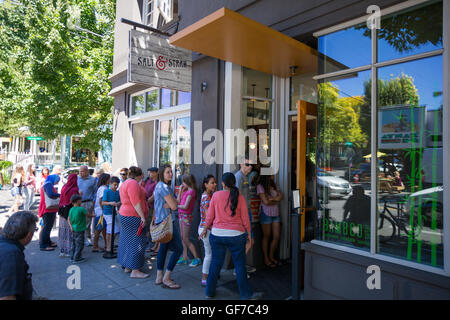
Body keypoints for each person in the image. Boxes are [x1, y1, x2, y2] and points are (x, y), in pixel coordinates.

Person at [199, 173, 262, 300]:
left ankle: (209, 292)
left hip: (217, 235)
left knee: (215, 264)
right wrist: (249, 234)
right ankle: (246, 295)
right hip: (236, 236)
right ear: (234, 183)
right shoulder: (240, 197)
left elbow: (210, 216)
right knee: (239, 265)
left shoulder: (216, 196)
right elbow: (245, 219)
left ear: (223, 183)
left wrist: (205, 229)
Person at [154, 164, 183, 289]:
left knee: (163, 248)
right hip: (167, 222)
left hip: (162, 221)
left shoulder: (161, 186)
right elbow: (175, 206)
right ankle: (166, 277)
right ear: (162, 173)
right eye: (168, 172)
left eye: (171, 172)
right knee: (178, 249)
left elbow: (174, 203)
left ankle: (159, 276)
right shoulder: (164, 187)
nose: (171, 174)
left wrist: (171, 202)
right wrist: (171, 203)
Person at [117, 166, 149, 279]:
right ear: (138, 175)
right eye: (142, 176)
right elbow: (135, 202)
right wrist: (143, 217)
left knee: (127, 241)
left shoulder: (126, 182)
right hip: (133, 216)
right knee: (137, 242)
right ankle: (135, 270)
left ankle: (127, 266)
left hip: (125, 214)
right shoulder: (133, 184)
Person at [0, 211, 38, 300]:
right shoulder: (12, 255)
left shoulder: (4, 244)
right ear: (29, 234)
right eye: (35, 230)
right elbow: (7, 297)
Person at [234, 156, 256, 274]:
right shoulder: (238, 177)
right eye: (247, 164)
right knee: (249, 240)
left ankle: (240, 266)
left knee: (249, 240)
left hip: (247, 212)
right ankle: (238, 268)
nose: (250, 166)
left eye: (251, 164)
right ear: (241, 164)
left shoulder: (245, 176)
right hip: (243, 214)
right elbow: (237, 197)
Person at [257, 174, 283, 268]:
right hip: (265, 213)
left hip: (275, 213)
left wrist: (272, 199)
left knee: (276, 236)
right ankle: (266, 258)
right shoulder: (260, 186)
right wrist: (276, 200)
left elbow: (281, 196)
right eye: (271, 173)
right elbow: (266, 202)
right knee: (267, 236)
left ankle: (271, 257)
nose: (273, 175)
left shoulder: (274, 185)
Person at [176, 174, 201, 267]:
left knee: (186, 238)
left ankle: (197, 258)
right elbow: (178, 200)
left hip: (186, 216)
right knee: (182, 237)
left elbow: (185, 206)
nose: (182, 184)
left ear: (188, 182)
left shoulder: (191, 192)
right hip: (181, 215)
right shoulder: (186, 191)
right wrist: (180, 191)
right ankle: (185, 257)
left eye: (183, 182)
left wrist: (176, 206)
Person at [198, 174, 217, 287]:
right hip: (206, 229)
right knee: (209, 254)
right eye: (212, 183)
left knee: (210, 253)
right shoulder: (206, 198)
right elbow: (207, 215)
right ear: (206, 185)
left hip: (207, 228)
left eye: (215, 182)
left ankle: (209, 274)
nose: (215, 184)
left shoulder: (209, 195)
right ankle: (204, 278)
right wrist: (205, 229)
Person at [58, 173, 80, 258]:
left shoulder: (64, 187)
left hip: (62, 211)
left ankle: (62, 249)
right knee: (70, 231)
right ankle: (69, 250)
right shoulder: (74, 189)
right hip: (71, 212)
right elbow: (75, 202)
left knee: (62, 231)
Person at [38, 174, 60, 251]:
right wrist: (60, 195)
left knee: (48, 227)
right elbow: (50, 194)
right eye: (57, 181)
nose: (57, 183)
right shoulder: (48, 184)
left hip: (48, 209)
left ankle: (48, 242)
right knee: (47, 227)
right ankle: (43, 245)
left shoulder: (47, 183)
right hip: (47, 209)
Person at [77, 165, 97, 247]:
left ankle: (87, 238)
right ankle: (81, 238)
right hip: (78, 203)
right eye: (80, 171)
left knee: (87, 221)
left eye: (82, 171)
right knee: (79, 221)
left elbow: (96, 191)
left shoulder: (92, 180)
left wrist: (93, 201)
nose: (80, 173)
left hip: (88, 202)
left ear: (87, 171)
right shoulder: (77, 179)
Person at [102, 176, 121, 254]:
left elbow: (119, 201)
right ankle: (109, 247)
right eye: (114, 185)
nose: (116, 187)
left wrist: (118, 203)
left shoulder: (117, 192)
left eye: (117, 185)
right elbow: (103, 202)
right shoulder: (106, 191)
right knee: (113, 230)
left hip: (114, 213)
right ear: (110, 184)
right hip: (107, 213)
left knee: (111, 231)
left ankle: (109, 247)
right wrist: (110, 203)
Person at [92, 173, 110, 252]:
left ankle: (107, 244)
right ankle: (95, 246)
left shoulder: (103, 187)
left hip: (100, 211)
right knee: (98, 229)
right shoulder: (103, 188)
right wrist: (104, 210)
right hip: (101, 212)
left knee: (104, 229)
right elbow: (101, 200)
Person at [68, 194, 87, 264]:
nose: (81, 201)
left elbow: (68, 219)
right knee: (80, 244)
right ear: (78, 201)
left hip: (74, 229)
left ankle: (72, 257)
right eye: (80, 200)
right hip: (80, 229)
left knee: (74, 244)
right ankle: (77, 258)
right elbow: (87, 214)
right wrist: (93, 215)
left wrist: (71, 227)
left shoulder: (71, 209)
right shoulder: (81, 209)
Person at [144, 167, 159, 255]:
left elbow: (154, 196)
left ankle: (154, 245)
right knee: (149, 226)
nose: (149, 174)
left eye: (151, 172)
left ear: (156, 173)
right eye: (149, 172)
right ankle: (153, 245)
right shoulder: (149, 181)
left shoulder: (157, 183)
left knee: (152, 226)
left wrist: (146, 201)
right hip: (148, 206)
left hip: (153, 207)